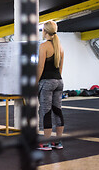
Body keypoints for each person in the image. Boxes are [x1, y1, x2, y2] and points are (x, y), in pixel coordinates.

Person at [36, 20, 65, 151]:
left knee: (46, 111)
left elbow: (41, 67)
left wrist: (35, 82)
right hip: (59, 81)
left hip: (47, 82)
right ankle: (58, 142)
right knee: (57, 110)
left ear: (45, 31)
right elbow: (60, 69)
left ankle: (46, 143)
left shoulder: (44, 46)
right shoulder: (60, 47)